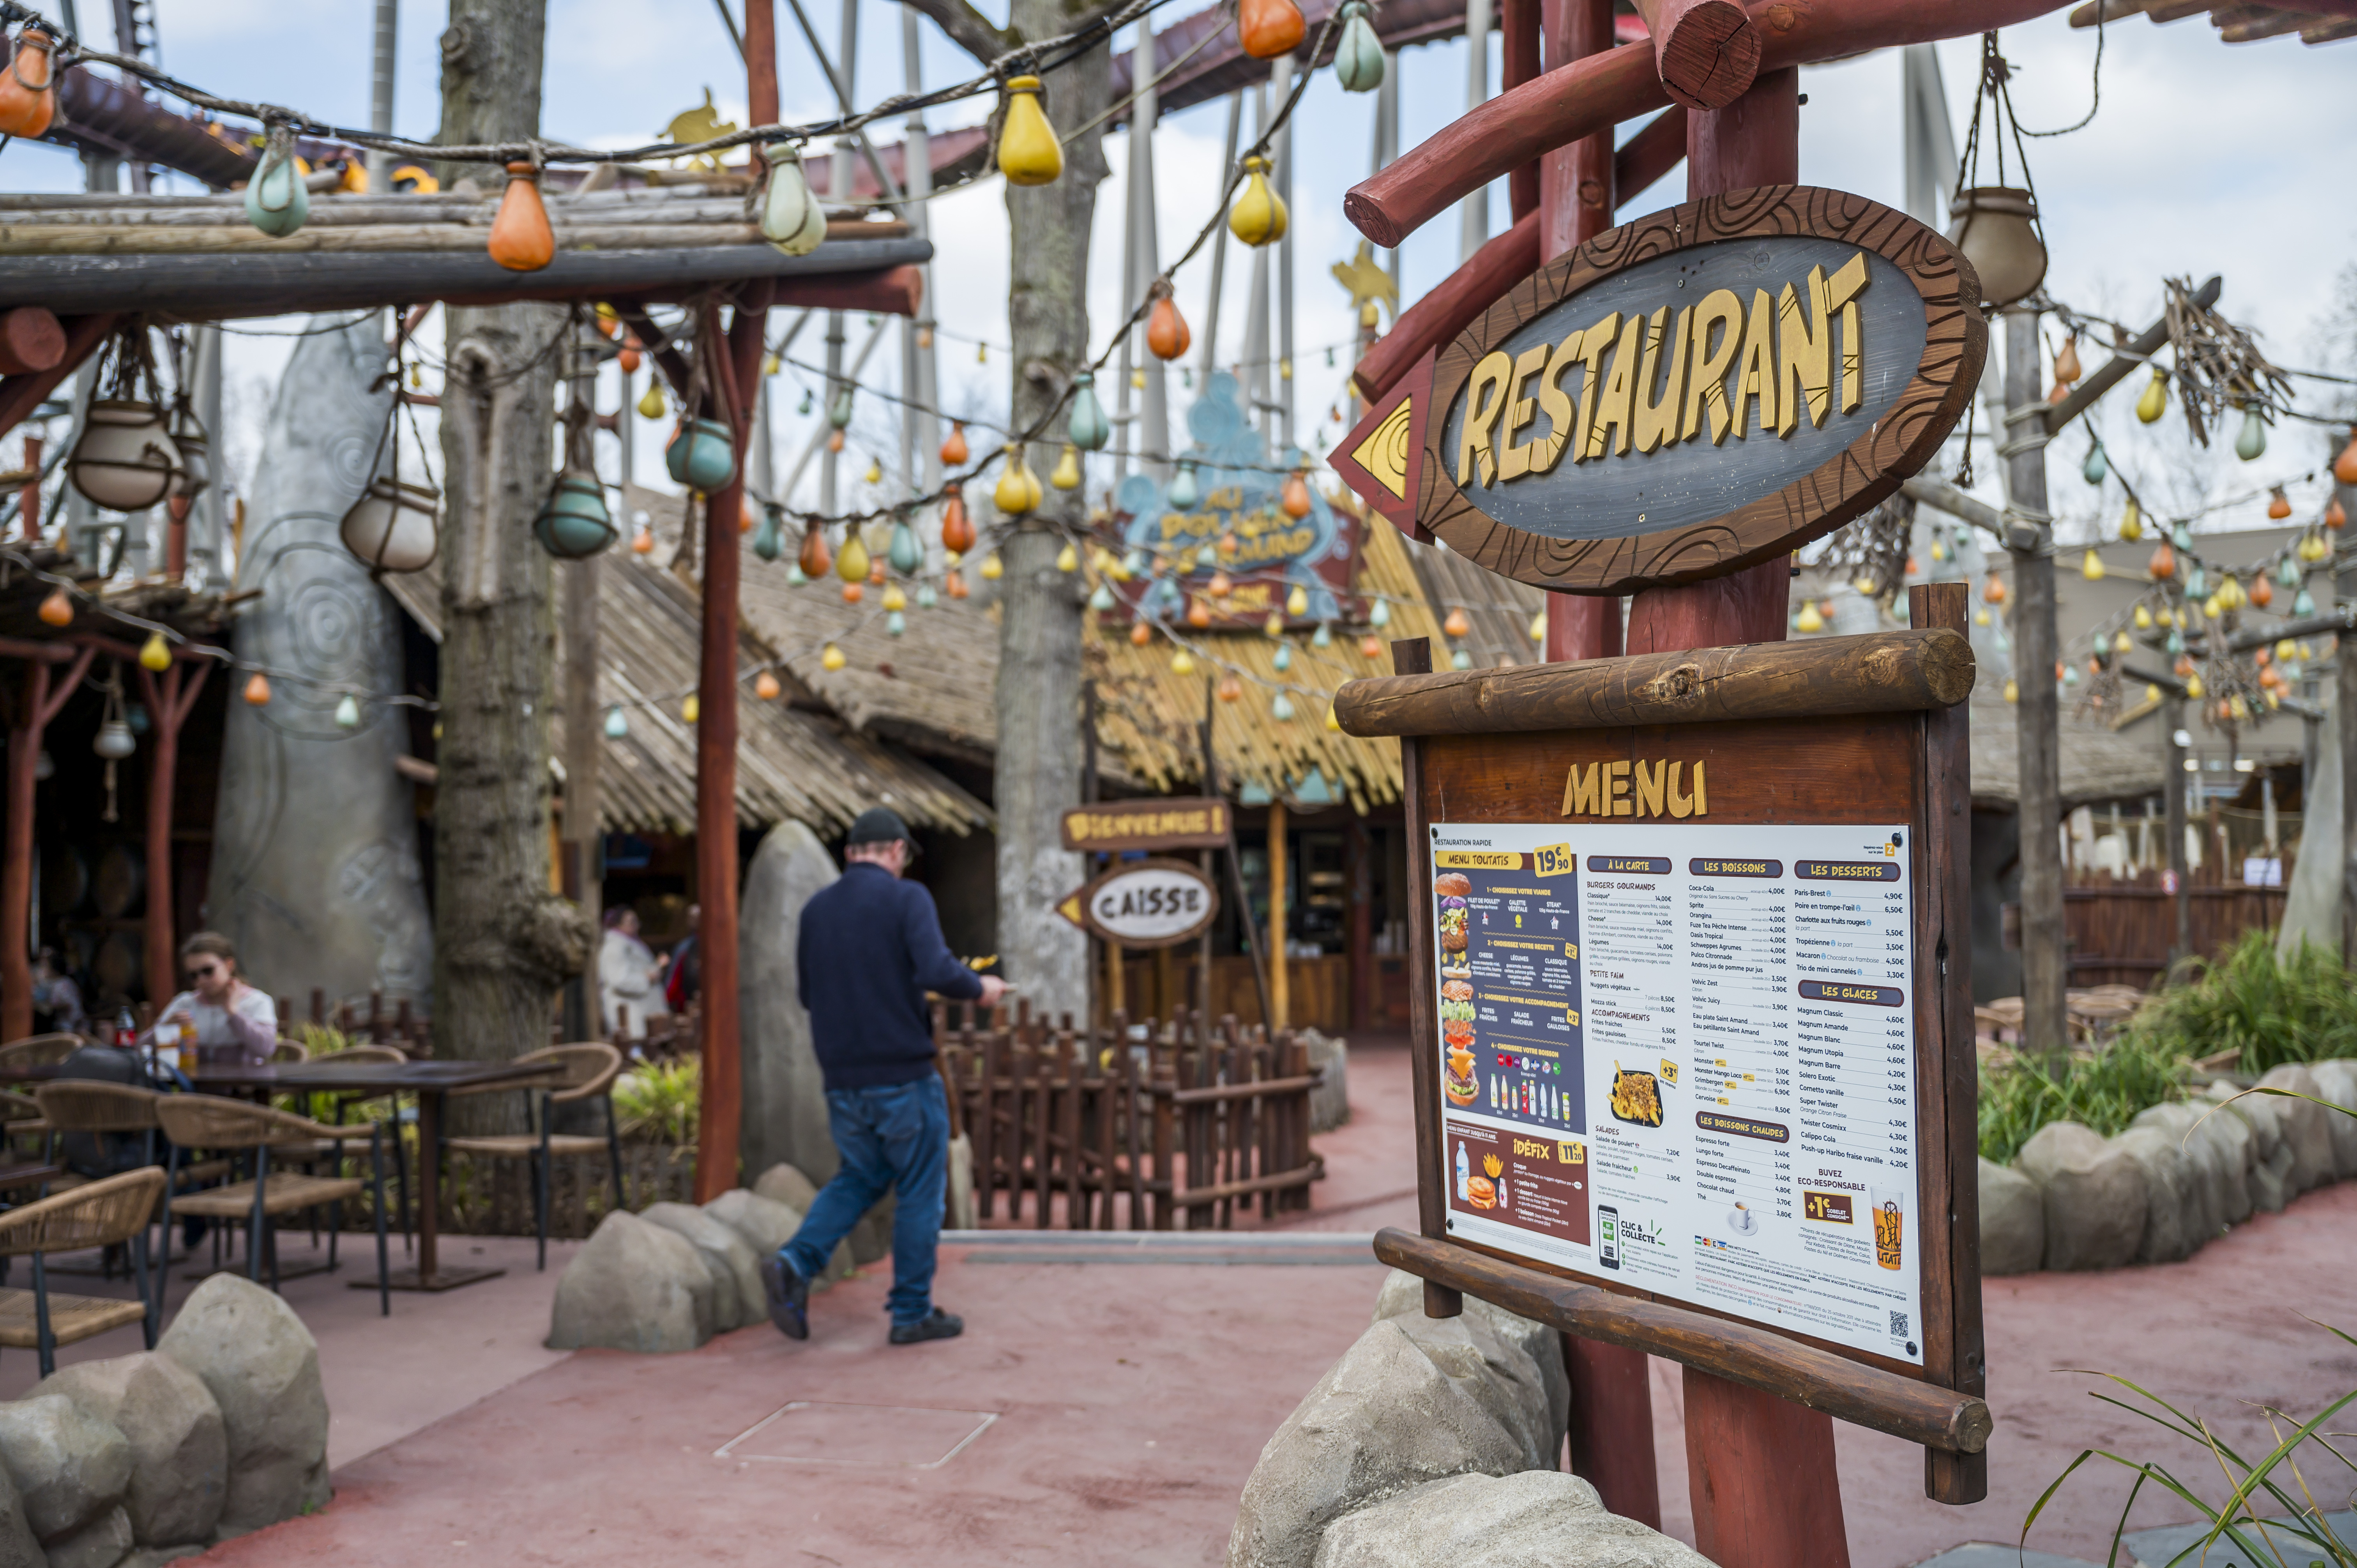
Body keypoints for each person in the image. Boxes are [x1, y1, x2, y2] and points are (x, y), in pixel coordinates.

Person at [761, 806, 1007, 1346]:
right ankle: (912, 1312)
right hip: (902, 1075)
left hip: (842, 1079)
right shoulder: (908, 898)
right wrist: (980, 988)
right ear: (897, 851)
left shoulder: (816, 910)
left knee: (861, 1175)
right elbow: (936, 968)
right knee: (920, 1190)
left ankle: (796, 1261)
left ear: (851, 853)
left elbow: (808, 994)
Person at [147, 932, 278, 1066]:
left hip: (243, 1079)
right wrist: (166, 1027)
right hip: (193, 1079)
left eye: (208, 971)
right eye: (193, 975)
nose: (201, 980)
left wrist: (234, 1014)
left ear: (229, 965)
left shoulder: (256, 1001)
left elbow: (266, 1049)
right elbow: (142, 1048)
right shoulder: (185, 1003)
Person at [596, 907, 667, 1042]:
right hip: (631, 1013)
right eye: (631, 922)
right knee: (635, 1049)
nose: (636, 926)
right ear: (617, 924)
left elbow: (638, 969)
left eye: (636, 921)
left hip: (642, 1011)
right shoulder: (614, 947)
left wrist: (657, 967)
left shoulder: (631, 943)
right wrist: (648, 978)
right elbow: (620, 980)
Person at [30, 947, 86, 1037]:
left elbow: (52, 1007)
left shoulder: (61, 984)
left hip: (68, 1027)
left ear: (54, 969)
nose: (42, 970)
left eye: (46, 967)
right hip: (71, 1024)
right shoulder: (64, 981)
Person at [663, 902, 701, 1014]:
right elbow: (674, 977)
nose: (694, 920)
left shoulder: (714, 944)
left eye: (698, 916)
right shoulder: (683, 947)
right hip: (687, 1001)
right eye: (691, 917)